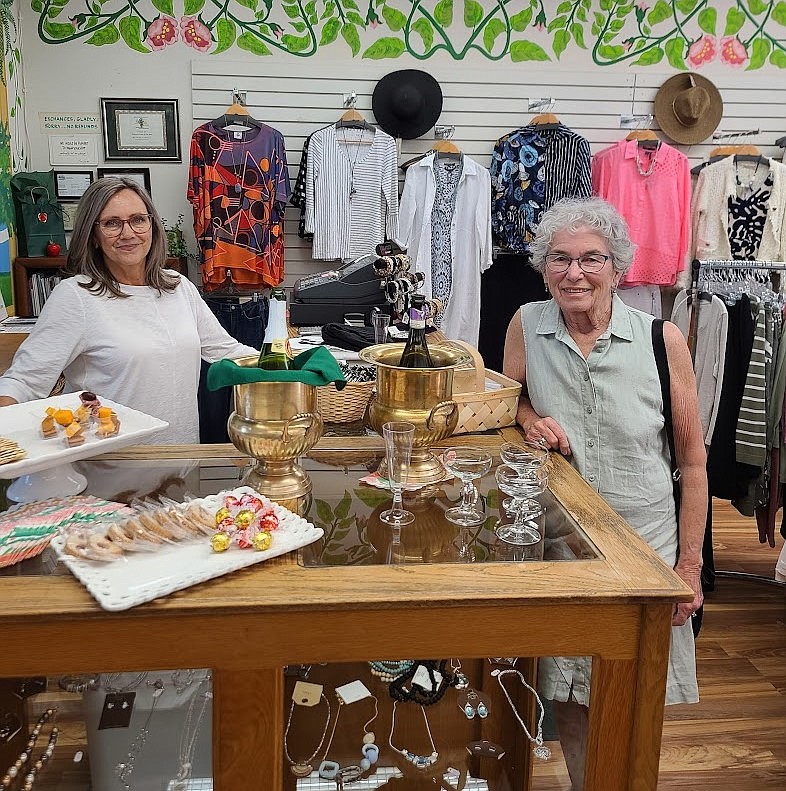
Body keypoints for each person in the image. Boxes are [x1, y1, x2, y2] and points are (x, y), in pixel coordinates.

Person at [503, 197, 706, 790]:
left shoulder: (660, 340)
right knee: (568, 684)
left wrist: (688, 565)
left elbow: (692, 459)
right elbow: (508, 401)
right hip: (558, 540)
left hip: (644, 546)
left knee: (636, 686)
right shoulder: (526, 324)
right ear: (543, 267)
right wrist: (528, 418)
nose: (574, 273)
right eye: (559, 259)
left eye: (591, 259)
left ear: (618, 267)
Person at [0, 177, 259, 444]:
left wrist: (292, 362)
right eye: (112, 223)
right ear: (94, 236)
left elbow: (227, 351)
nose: (128, 233)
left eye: (138, 219)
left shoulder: (178, 287)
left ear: (152, 226)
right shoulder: (76, 296)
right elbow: (25, 380)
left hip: (180, 458)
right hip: (110, 468)